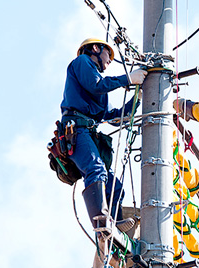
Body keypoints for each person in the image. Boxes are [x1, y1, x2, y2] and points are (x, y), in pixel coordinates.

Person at [60, 38, 147, 232]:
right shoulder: (82, 63)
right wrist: (127, 79)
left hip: (87, 132)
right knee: (96, 169)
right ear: (96, 48)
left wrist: (137, 99)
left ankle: (115, 225)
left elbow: (113, 117)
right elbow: (97, 85)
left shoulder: (97, 82)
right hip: (76, 129)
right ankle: (101, 221)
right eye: (108, 54)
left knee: (114, 185)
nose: (110, 60)